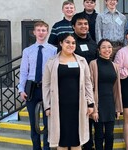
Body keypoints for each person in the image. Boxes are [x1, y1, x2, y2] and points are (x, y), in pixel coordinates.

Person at [42, 33, 95, 149]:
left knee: (77, 140)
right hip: (59, 107)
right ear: (61, 43)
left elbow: (88, 83)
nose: (71, 45)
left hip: (78, 106)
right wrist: (47, 106)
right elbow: (46, 85)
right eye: (67, 42)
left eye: (73, 43)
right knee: (61, 141)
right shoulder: (51, 62)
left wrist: (90, 103)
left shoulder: (82, 61)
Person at [18, 21, 56, 150]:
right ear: (34, 32)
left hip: (47, 89)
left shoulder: (53, 50)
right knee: (34, 123)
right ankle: (36, 147)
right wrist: (21, 89)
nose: (41, 32)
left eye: (44, 30)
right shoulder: (28, 51)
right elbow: (23, 71)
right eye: (38, 30)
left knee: (48, 122)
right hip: (32, 89)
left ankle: (47, 147)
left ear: (47, 32)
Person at [70, 13, 98, 150]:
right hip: (74, 87)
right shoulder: (69, 43)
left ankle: (88, 145)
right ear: (73, 26)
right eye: (80, 24)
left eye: (86, 24)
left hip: (90, 87)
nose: (83, 26)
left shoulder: (93, 44)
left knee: (90, 116)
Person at [89, 39, 123, 150]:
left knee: (110, 135)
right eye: (103, 47)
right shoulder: (93, 64)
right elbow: (90, 87)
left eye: (109, 47)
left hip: (110, 104)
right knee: (98, 135)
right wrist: (94, 108)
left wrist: (118, 108)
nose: (107, 49)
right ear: (99, 50)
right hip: (98, 103)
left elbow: (117, 88)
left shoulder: (115, 66)